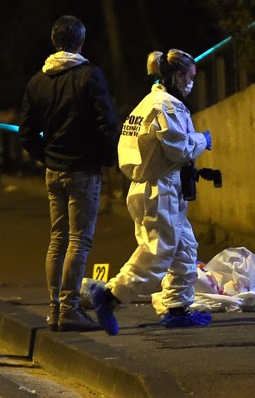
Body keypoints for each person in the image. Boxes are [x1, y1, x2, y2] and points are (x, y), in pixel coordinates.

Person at [91, 49, 213, 335]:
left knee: (184, 248)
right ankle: (110, 296)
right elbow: (178, 148)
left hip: (153, 187)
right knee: (157, 252)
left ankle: (177, 307)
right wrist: (202, 140)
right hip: (160, 190)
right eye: (190, 77)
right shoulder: (167, 106)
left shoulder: (147, 103)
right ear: (178, 76)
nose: (192, 83)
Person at [19, 15, 119, 332]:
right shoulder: (90, 76)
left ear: (54, 41)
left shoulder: (38, 81)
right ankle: (70, 309)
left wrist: (47, 156)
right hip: (83, 170)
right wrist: (107, 158)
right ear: (81, 42)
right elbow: (107, 122)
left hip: (54, 170)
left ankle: (54, 311)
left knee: (58, 240)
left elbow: (26, 133)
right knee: (79, 240)